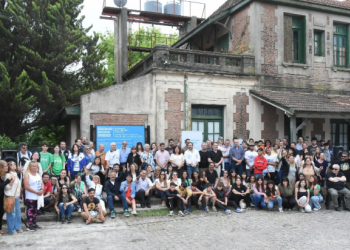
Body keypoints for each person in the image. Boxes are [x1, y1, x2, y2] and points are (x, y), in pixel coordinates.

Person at [23, 161, 44, 231]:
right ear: (30, 167)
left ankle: (34, 223)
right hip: (30, 196)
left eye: (36, 166)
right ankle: (30, 224)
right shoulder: (27, 175)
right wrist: (36, 192)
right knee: (30, 210)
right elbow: (26, 187)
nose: (35, 167)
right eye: (33, 166)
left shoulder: (38, 174)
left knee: (35, 210)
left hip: (38, 196)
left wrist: (42, 190)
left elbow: (41, 183)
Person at [4, 161, 22, 235]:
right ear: (8, 166)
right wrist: (11, 181)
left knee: (17, 213)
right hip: (10, 195)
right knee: (11, 213)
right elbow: (7, 187)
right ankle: (11, 229)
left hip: (16, 196)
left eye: (15, 164)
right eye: (11, 164)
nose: (13, 165)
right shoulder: (8, 175)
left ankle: (18, 227)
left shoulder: (16, 174)